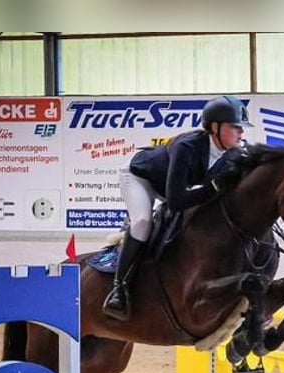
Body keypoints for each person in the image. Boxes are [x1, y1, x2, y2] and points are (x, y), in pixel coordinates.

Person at [103, 95, 253, 321]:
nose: (241, 133)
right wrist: (214, 186)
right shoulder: (187, 147)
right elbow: (176, 201)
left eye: (242, 128)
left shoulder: (232, 153)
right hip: (140, 178)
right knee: (143, 222)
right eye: (235, 127)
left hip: (170, 187)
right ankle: (119, 288)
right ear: (215, 127)